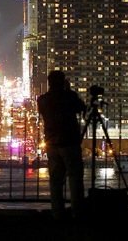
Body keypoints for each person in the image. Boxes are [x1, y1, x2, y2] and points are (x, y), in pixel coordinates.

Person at [37, 69, 87, 221]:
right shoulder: (69, 97)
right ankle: (77, 212)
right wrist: (69, 90)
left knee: (55, 180)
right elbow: (81, 107)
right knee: (75, 178)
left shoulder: (43, 100)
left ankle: (57, 213)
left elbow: (44, 114)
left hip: (52, 144)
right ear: (62, 82)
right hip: (69, 142)